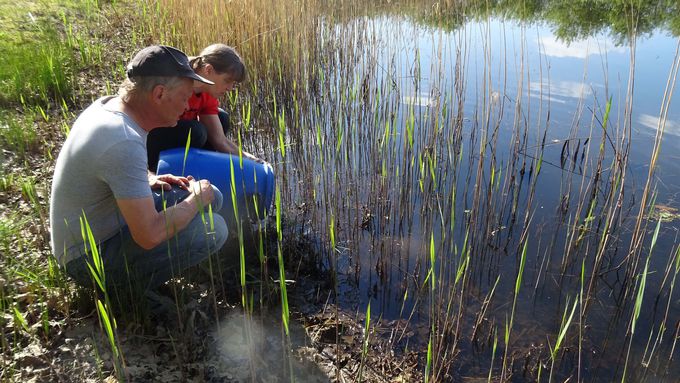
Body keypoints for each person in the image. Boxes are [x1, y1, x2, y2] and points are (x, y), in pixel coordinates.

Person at [49, 45, 229, 303]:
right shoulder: (123, 140)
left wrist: (148, 178)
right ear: (159, 94)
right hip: (87, 258)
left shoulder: (111, 107)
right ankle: (128, 294)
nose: (189, 104)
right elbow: (149, 235)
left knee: (216, 197)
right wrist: (194, 202)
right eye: (185, 96)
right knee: (213, 229)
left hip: (103, 224)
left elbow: (110, 169)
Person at [146, 43, 262, 171]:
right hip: (149, 136)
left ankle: (200, 166)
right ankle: (160, 167)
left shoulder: (209, 91)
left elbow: (220, 140)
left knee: (222, 118)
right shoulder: (177, 81)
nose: (230, 88)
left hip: (177, 132)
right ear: (208, 70)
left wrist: (251, 161)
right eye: (227, 81)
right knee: (196, 131)